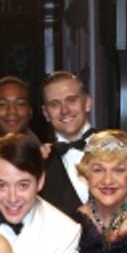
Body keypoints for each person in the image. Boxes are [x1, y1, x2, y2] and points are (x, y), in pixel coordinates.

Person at [39, 71, 96, 219]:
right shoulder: (38, 164)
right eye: (54, 104)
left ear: (87, 103)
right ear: (45, 113)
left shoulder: (124, 148)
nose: (65, 110)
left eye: (71, 100)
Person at [0, 76, 40, 165]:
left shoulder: (46, 160)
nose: (12, 111)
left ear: (30, 111)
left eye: (20, 104)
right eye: (2, 104)